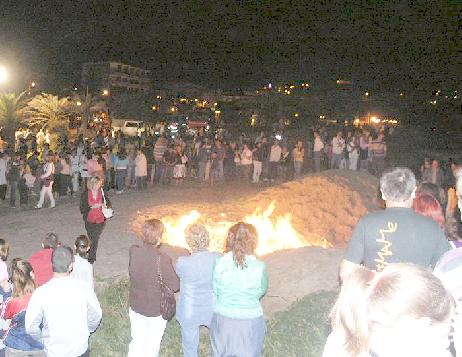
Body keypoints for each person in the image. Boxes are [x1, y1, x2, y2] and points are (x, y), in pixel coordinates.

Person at [340, 167, 449, 281]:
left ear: (382, 193)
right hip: (417, 296)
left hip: (377, 295)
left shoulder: (366, 223)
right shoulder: (431, 226)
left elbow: (346, 271)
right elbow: (446, 269)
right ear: (413, 193)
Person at [323, 263, 454, 357]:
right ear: (419, 325)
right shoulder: (433, 351)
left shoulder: (340, 340)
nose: (448, 342)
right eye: (445, 334)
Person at [25, 246, 102, 357]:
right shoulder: (84, 288)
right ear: (71, 266)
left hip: (54, 352)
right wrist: (86, 331)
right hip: (79, 349)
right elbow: (96, 316)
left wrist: (43, 340)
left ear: (52, 264)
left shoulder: (40, 293)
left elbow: (31, 327)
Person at [210, 222, 268, 357]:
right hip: (250, 322)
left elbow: (216, 289)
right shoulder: (260, 267)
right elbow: (261, 290)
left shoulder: (219, 263)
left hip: (223, 320)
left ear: (230, 239)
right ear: (254, 241)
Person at [128, 219, 179, 357]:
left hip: (136, 305)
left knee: (137, 341)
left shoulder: (134, 251)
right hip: (155, 309)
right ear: (159, 237)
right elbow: (175, 286)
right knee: (152, 345)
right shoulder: (162, 258)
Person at [176, 224, 221, 357]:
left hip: (189, 310)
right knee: (218, 343)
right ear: (207, 238)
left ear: (189, 241)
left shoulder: (183, 262)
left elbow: (181, 276)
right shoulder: (218, 257)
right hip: (213, 308)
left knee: (189, 344)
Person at [1, 259, 45, 356]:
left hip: (16, 346)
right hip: (40, 345)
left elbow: (3, 317)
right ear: (32, 274)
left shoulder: (12, 302)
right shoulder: (44, 295)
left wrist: (6, 293)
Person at [79, 175, 111, 264]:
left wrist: (103, 205)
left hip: (100, 219)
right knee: (91, 237)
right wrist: (91, 207)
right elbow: (82, 208)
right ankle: (89, 251)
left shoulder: (102, 192)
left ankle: (91, 257)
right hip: (89, 219)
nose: (99, 186)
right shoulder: (86, 194)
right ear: (92, 184)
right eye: (98, 184)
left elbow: (108, 203)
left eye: (100, 184)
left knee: (95, 238)